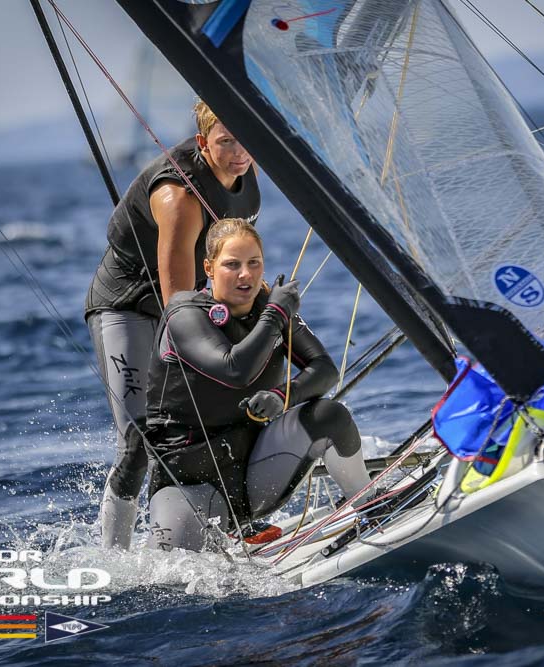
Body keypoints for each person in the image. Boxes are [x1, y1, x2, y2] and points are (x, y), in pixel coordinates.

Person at [86, 100, 260, 548]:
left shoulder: (245, 167)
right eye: (226, 142)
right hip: (127, 307)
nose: (239, 152)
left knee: (236, 406)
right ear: (203, 143)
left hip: (187, 300)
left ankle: (235, 525)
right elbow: (179, 311)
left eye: (244, 139)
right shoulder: (179, 197)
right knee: (140, 439)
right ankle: (114, 557)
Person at [139, 219, 372, 551]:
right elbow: (234, 370)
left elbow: (324, 369)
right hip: (189, 483)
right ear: (208, 268)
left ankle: (369, 506)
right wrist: (275, 313)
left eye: (254, 263)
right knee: (175, 571)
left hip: (252, 475)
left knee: (329, 415)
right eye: (232, 265)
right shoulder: (184, 314)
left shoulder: (268, 306)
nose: (245, 275)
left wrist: (281, 396)